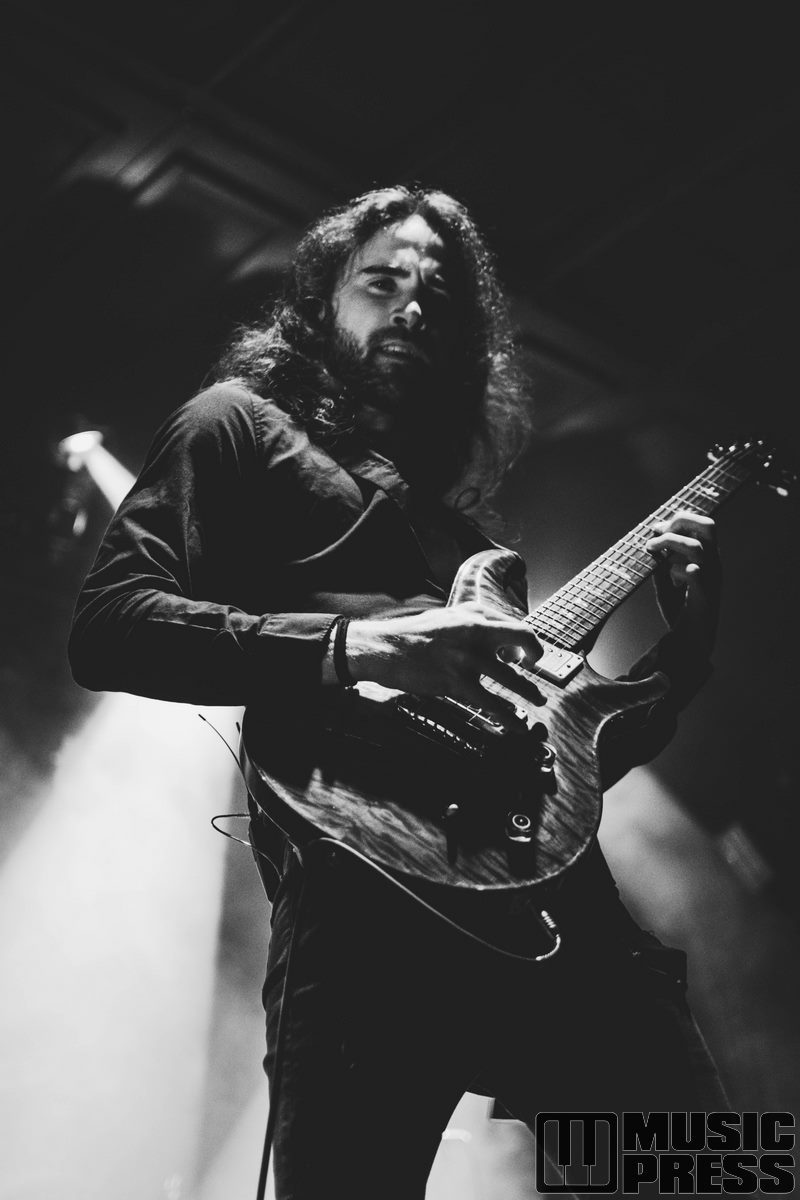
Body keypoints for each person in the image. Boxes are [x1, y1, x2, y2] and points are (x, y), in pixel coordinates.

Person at [69, 184, 727, 1199]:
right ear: (320, 302)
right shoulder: (236, 425)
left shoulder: (464, 544)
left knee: (696, 1177)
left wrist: (688, 647)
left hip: (559, 915)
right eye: (382, 280)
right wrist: (364, 647)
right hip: (363, 905)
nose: (413, 306)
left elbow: (578, 757)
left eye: (439, 297)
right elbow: (111, 625)